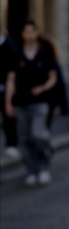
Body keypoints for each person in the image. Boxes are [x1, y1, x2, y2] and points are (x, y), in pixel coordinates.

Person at [4, 20, 58, 186]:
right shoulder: (17, 56)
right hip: (22, 102)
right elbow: (11, 80)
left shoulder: (44, 54)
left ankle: (44, 167)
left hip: (40, 102)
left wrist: (42, 88)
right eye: (25, 31)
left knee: (37, 134)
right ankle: (32, 171)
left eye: (31, 31)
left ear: (36, 33)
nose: (28, 34)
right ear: (22, 34)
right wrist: (8, 102)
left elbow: (53, 77)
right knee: (25, 139)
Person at [1, 25, 19, 158]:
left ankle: (12, 144)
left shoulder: (10, 46)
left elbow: (13, 70)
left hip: (6, 86)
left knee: (8, 115)